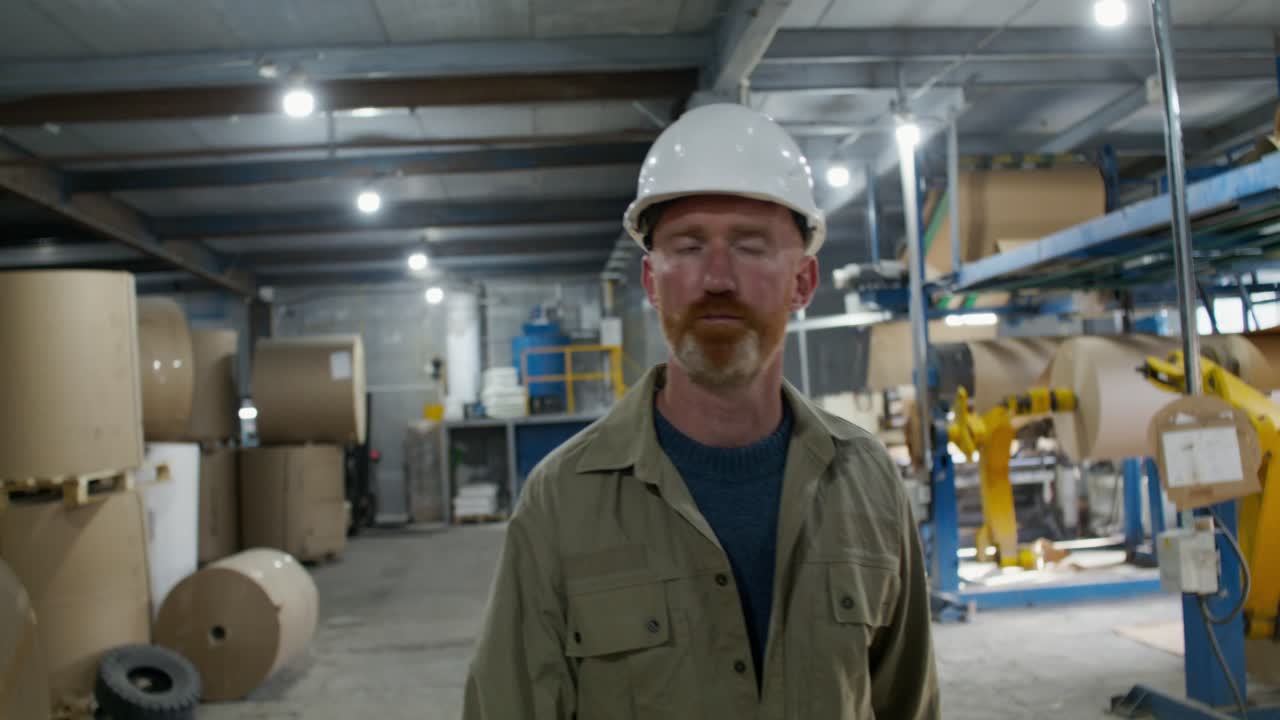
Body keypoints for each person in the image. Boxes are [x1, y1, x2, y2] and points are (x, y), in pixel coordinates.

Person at [463, 103, 939, 719]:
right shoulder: (562, 502)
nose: (717, 278)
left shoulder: (869, 485)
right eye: (687, 248)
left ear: (803, 280)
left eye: (750, 246)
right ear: (652, 280)